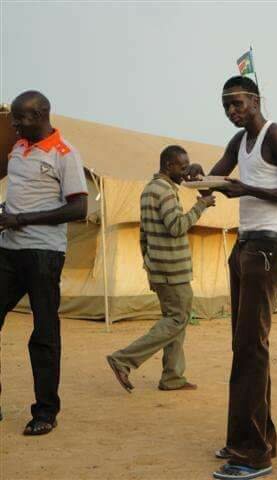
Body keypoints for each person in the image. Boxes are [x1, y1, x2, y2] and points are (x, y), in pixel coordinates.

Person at [188, 76, 277, 480]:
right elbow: (217, 178)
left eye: (238, 104)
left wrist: (248, 189)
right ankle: (248, 437)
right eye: (226, 107)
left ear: (256, 100)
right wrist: (195, 175)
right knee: (243, 347)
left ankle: (254, 454)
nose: (232, 112)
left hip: (268, 247)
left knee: (251, 348)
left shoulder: (276, 136)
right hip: (245, 246)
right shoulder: (237, 143)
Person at [0, 91, 88, 435]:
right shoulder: (17, 149)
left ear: (40, 115)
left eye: (20, 118)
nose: (15, 124)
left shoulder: (65, 154)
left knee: (44, 333)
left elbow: (79, 209)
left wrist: (23, 219)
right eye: (13, 118)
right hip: (8, 250)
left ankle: (45, 412)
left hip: (43, 255)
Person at [106, 146, 215, 393]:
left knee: (176, 321)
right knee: (177, 319)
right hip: (172, 271)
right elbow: (177, 227)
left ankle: (172, 377)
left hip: (160, 268)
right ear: (168, 166)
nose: (185, 171)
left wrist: (150, 267)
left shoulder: (149, 190)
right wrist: (202, 205)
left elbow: (144, 235)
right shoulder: (164, 191)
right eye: (182, 167)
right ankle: (123, 359)